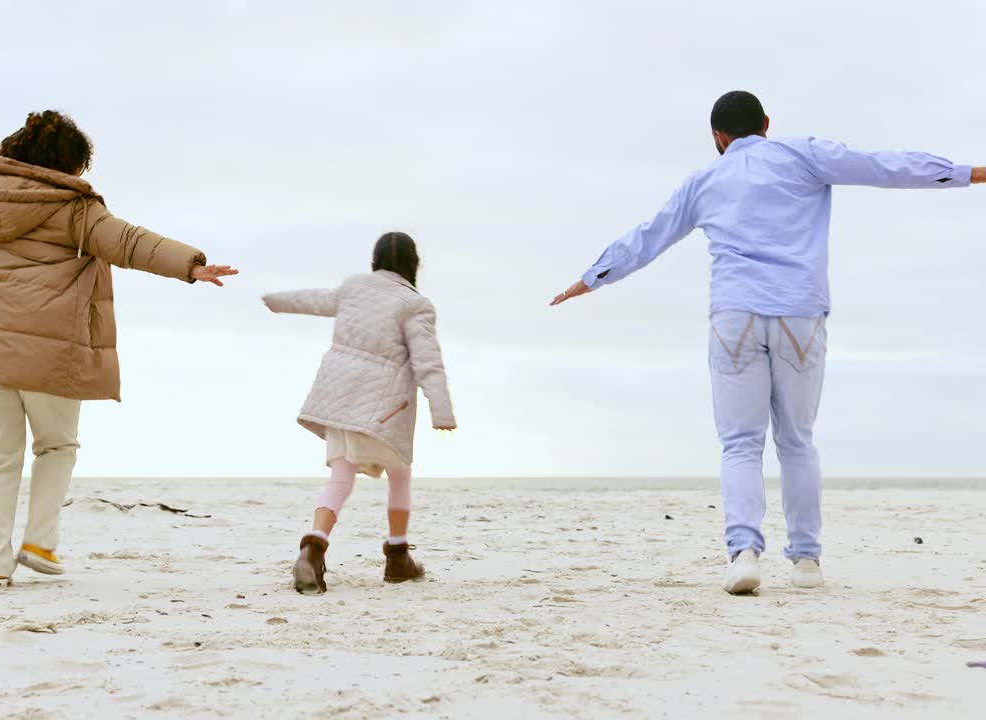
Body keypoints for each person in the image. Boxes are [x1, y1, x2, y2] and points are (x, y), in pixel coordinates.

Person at [550, 91, 984, 594]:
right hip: (800, 314)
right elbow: (885, 166)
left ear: (717, 137)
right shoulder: (803, 155)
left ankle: (744, 555)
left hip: (735, 316)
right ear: (766, 124)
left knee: (740, 443)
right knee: (797, 441)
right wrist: (971, 172)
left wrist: (591, 278)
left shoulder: (704, 181)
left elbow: (648, 238)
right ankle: (805, 564)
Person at [0, 110, 238, 588]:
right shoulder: (75, 208)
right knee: (56, 446)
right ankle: (39, 543)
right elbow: (130, 243)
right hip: (51, 356)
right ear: (69, 166)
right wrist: (190, 267)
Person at [263, 232, 456, 594]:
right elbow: (428, 360)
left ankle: (314, 547)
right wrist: (441, 411)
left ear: (375, 260)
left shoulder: (354, 287)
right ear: (414, 264)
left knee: (341, 476)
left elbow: (314, 300)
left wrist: (273, 301)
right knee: (399, 474)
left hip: (338, 396)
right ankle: (398, 558)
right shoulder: (415, 304)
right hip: (387, 403)